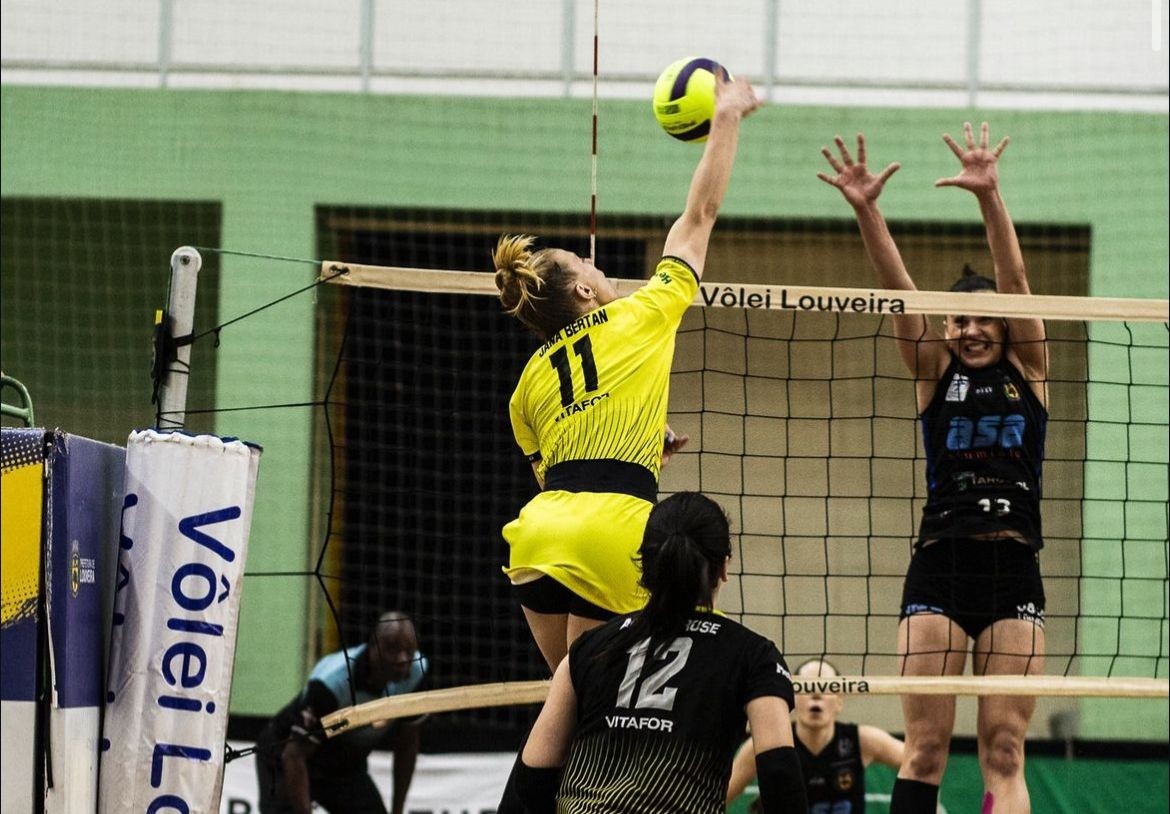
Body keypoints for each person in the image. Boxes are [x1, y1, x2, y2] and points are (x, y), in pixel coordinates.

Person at [492, 69, 762, 673]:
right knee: (603, 707)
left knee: (568, 700)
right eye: (582, 260)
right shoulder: (641, 315)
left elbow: (559, 469)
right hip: (614, 533)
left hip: (537, 538)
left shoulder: (528, 382)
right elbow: (700, 216)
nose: (593, 260)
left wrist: (635, 438)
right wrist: (727, 117)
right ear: (586, 289)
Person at [817, 123, 1048, 814]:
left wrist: (990, 196)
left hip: (1015, 568)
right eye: (957, 321)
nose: (970, 329)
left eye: (982, 320)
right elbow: (901, 290)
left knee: (1005, 750)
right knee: (924, 749)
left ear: (1003, 326)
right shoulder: (932, 372)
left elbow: (1018, 281)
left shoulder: (1030, 369)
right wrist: (867, 209)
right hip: (939, 567)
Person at [498, 491, 808, 814]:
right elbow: (779, 774)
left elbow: (533, 777)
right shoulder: (753, 654)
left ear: (645, 565)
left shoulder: (588, 649)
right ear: (724, 568)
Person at [255, 611, 428, 814]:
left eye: (409, 650)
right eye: (392, 649)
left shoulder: (416, 673)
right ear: (373, 646)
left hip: (343, 767)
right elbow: (294, 756)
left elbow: (407, 744)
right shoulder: (331, 684)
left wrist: (397, 810)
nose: (403, 659)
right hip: (285, 757)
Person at [726, 658, 905, 811]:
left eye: (827, 687)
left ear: (839, 701)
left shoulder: (864, 741)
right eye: (807, 687)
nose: (816, 695)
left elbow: (919, 761)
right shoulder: (766, 744)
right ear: (792, 697)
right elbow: (720, 796)